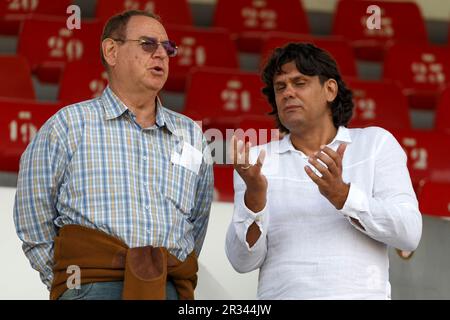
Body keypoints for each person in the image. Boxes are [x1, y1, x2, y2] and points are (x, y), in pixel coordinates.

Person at [14, 10, 213, 300]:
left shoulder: (191, 136)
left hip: (167, 289)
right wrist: (72, 284)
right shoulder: (69, 125)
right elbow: (32, 216)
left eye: (167, 48)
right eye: (148, 44)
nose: (161, 54)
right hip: (91, 285)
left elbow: (198, 222)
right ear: (111, 51)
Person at [225, 43, 422, 299]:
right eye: (280, 87)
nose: (288, 93)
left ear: (330, 89)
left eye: (300, 82)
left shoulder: (375, 144)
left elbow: (409, 234)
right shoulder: (257, 160)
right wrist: (254, 197)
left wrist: (343, 196)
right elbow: (242, 262)